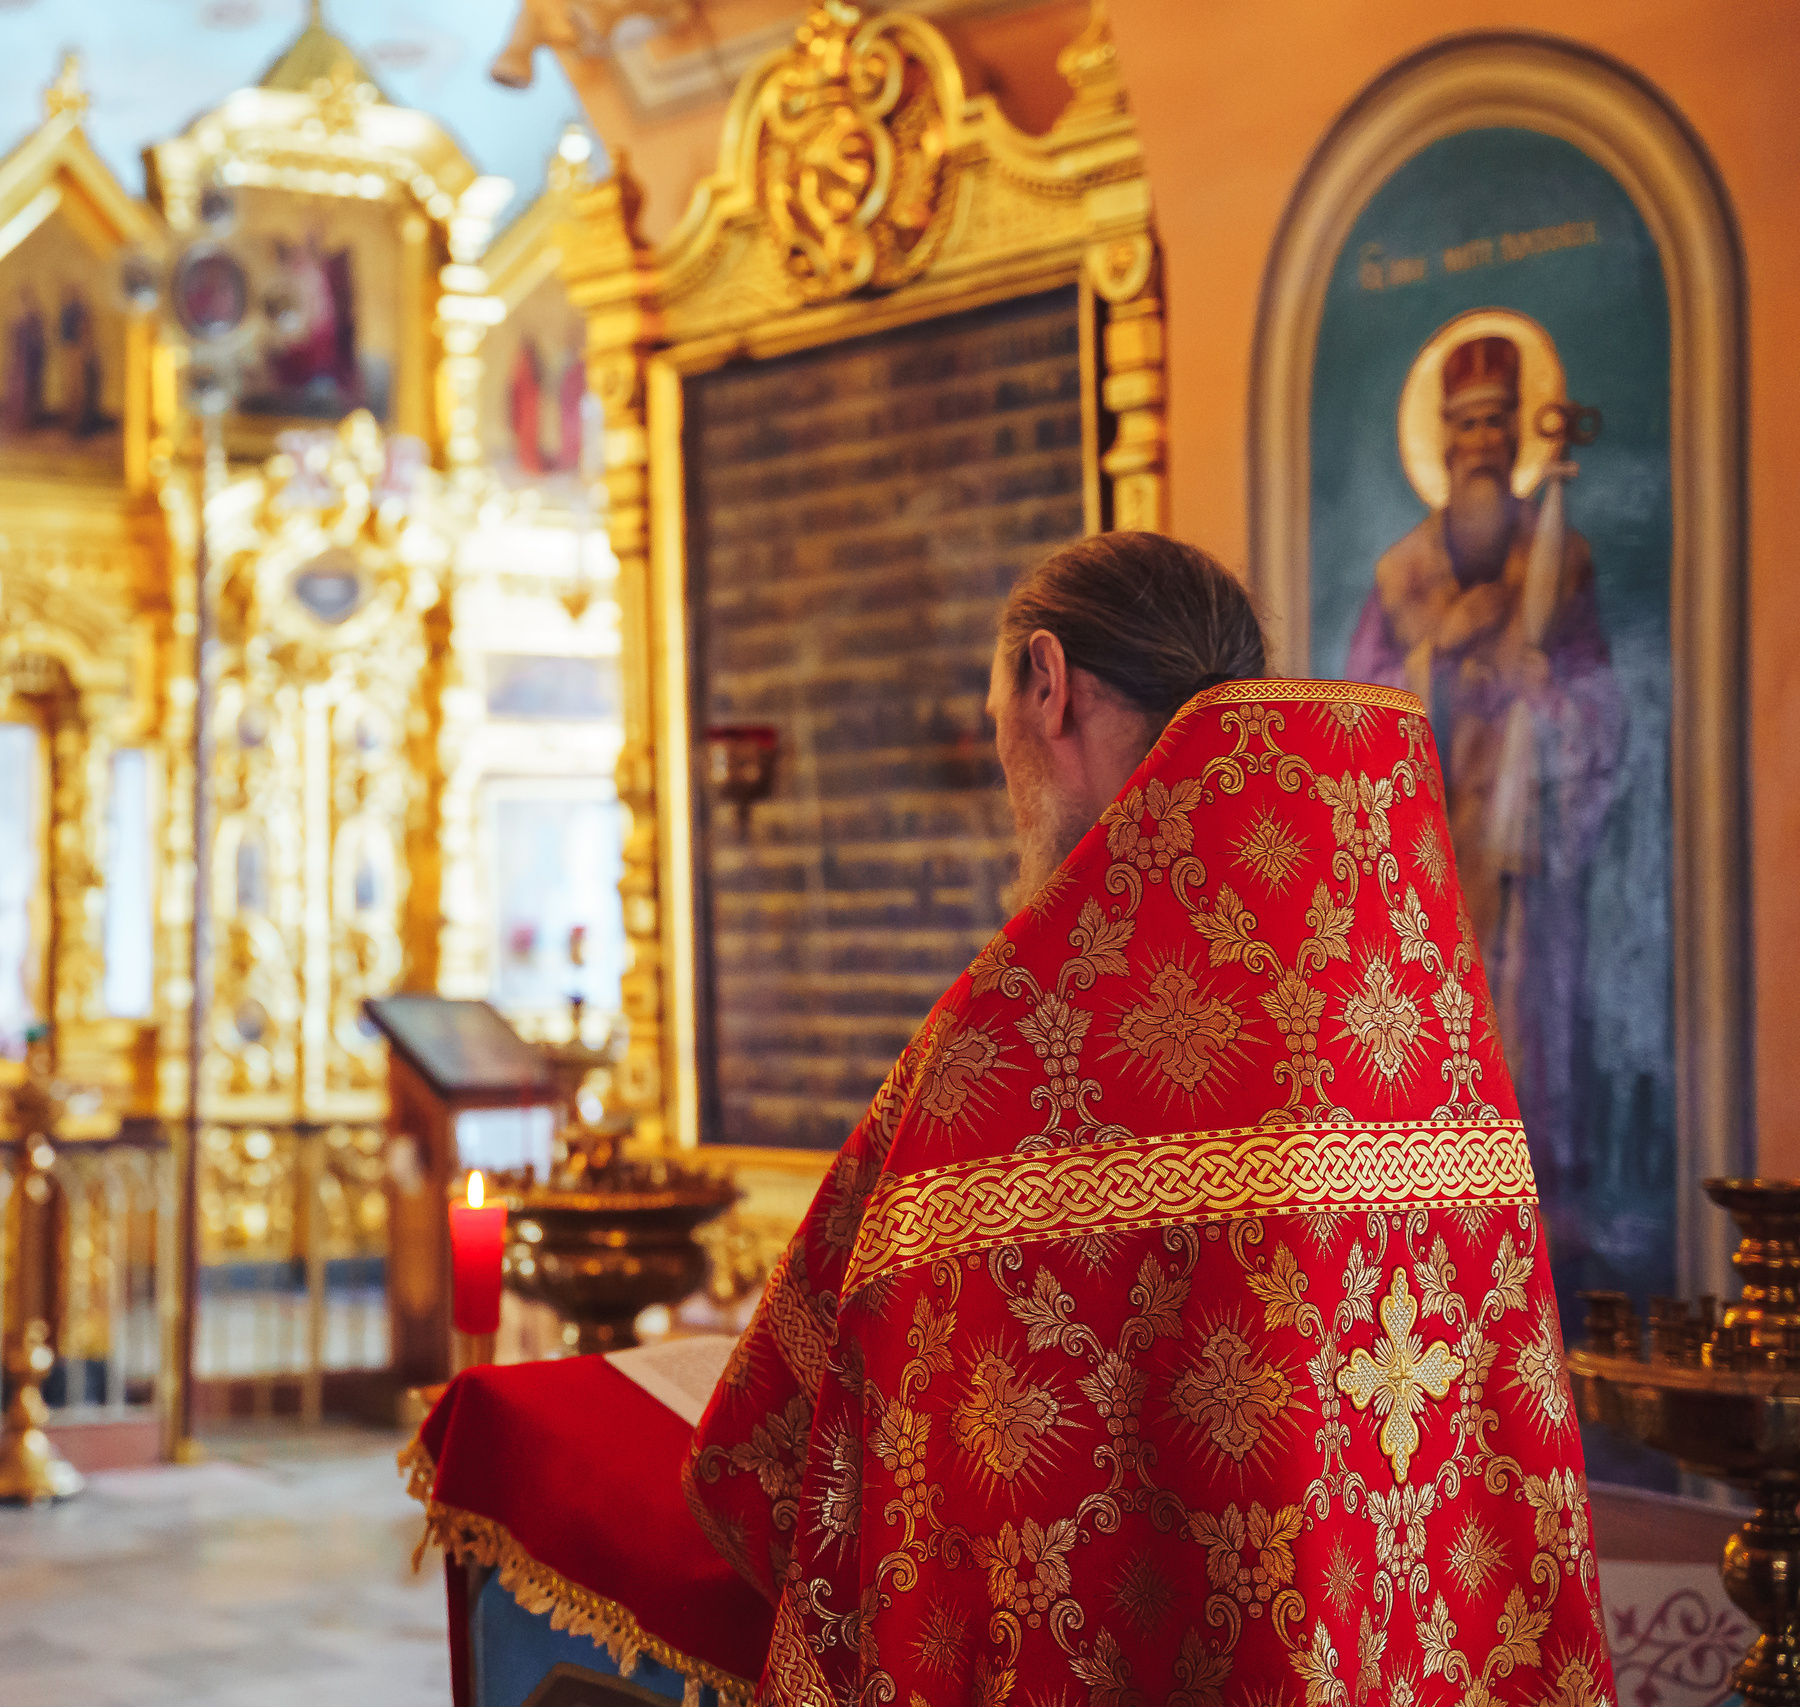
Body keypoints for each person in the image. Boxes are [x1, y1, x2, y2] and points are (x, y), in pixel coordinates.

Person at [685, 532, 1612, 1705]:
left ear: (1047, 681)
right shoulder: (1405, 988)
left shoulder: (1015, 1028)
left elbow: (837, 1418)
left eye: (1000, 717)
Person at [1345, 332, 1622, 1195]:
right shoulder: (1400, 577)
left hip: (1529, 868)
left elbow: (1607, 707)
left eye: (1496, 424)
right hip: (1431, 869)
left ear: (1515, 436)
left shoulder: (1560, 561)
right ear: (1441, 436)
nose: (1479, 444)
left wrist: (1549, 694)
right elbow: (1352, 721)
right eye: (1463, 426)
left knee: (1530, 1051)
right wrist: (1438, 654)